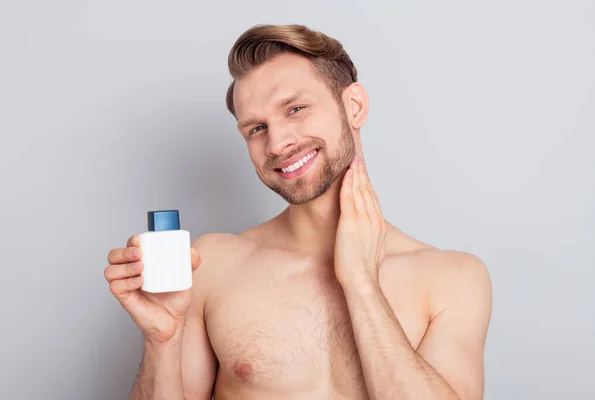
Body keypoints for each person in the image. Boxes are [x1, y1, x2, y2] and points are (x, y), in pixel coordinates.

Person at [104, 24, 493, 400]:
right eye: (256, 129)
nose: (277, 143)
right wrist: (163, 340)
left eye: (295, 109)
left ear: (354, 106)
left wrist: (361, 283)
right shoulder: (213, 264)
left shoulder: (452, 278)